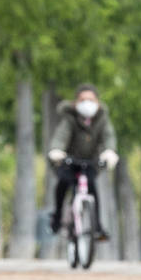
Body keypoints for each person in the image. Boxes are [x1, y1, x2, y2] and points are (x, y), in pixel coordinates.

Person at [47, 84, 119, 239]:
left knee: (92, 188)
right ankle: (57, 217)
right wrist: (57, 151)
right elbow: (61, 136)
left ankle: (97, 226)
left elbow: (109, 137)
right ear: (76, 103)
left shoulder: (102, 120)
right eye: (83, 99)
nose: (87, 103)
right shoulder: (69, 118)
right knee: (63, 182)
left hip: (90, 162)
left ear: (98, 102)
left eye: (91, 99)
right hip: (69, 161)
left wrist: (109, 152)